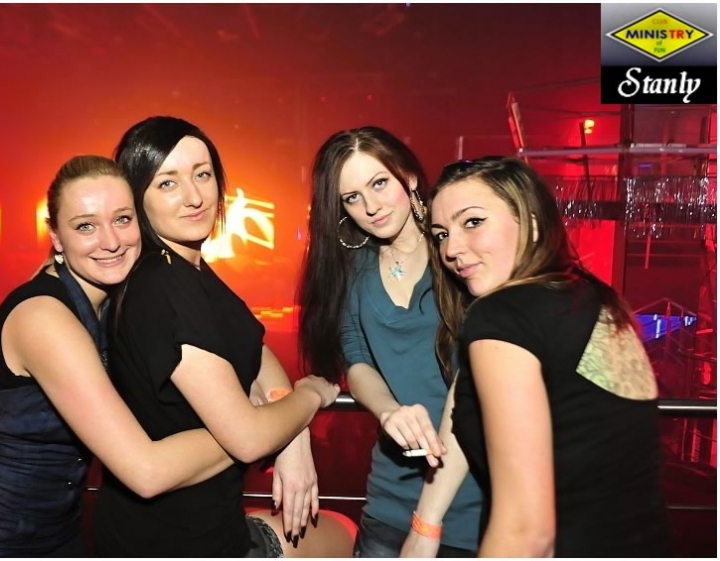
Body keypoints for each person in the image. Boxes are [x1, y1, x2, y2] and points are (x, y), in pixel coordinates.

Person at [0, 155, 243, 557]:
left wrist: (277, 416)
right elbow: (147, 471)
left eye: (122, 219)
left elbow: (237, 331)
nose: (111, 241)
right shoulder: (44, 316)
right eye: (86, 226)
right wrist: (250, 428)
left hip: (60, 530)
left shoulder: (118, 298)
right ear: (56, 237)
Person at [92, 116, 352, 558]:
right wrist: (310, 395)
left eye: (203, 174)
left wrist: (291, 431)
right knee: (345, 531)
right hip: (181, 542)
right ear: (137, 197)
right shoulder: (163, 286)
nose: (194, 196)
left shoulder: (188, 270)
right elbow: (247, 438)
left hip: (195, 525)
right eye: (168, 183)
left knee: (338, 529)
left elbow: (254, 346)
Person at [404, 156, 673, 557]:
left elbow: (526, 534)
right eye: (441, 234)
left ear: (530, 222)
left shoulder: (502, 313)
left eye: (473, 222)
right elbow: (470, 398)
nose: (451, 249)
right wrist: (426, 525)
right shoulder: (592, 298)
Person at [296, 126, 482, 557]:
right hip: (389, 498)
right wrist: (388, 410)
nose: (371, 206)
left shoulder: (459, 254)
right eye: (352, 197)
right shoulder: (354, 269)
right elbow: (356, 359)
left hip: (473, 495)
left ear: (409, 177)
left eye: (379, 183)